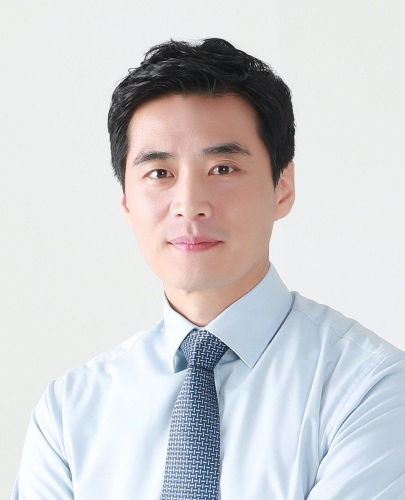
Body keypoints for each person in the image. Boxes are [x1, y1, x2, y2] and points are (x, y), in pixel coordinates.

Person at [12, 38, 405, 499]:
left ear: (282, 187)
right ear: (126, 202)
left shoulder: (370, 388)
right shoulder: (69, 411)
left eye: (222, 168)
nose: (189, 204)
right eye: (159, 173)